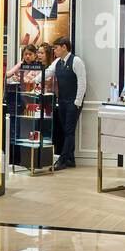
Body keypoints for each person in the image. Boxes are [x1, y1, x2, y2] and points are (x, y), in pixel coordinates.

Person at [45, 37, 86, 171]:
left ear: (64, 47)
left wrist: (77, 102)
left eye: (56, 48)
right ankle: (71, 159)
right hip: (62, 101)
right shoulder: (57, 62)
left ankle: (62, 160)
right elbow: (47, 73)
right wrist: (33, 79)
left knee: (68, 131)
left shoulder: (76, 61)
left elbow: (82, 83)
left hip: (73, 102)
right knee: (66, 131)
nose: (54, 50)